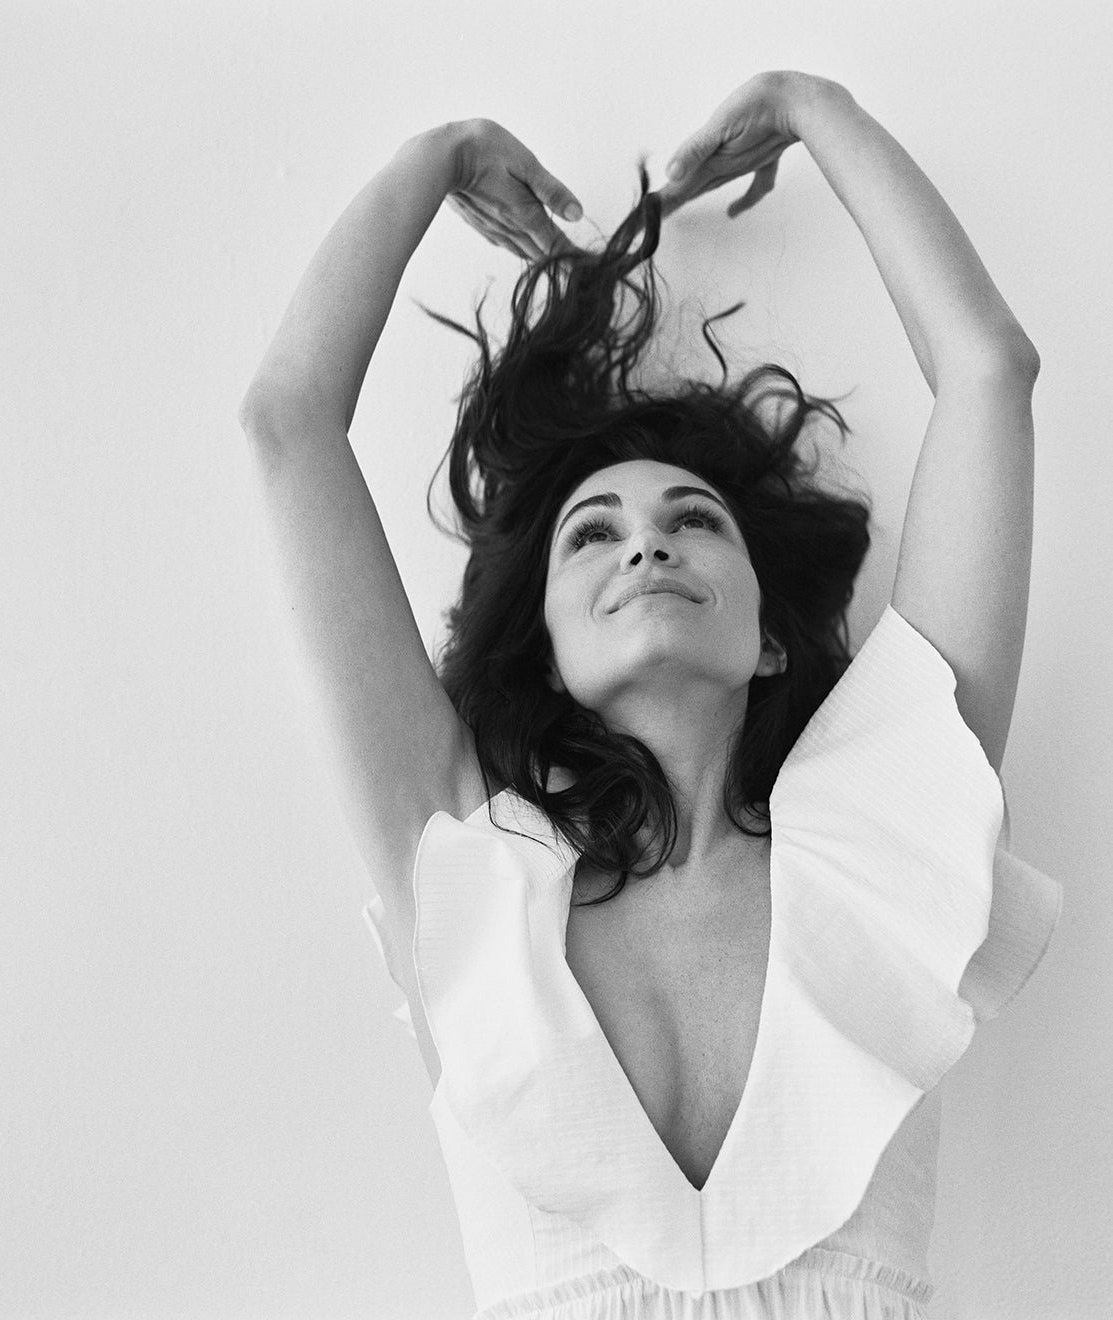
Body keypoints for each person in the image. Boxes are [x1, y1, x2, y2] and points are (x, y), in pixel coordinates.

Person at [239, 70, 1062, 1320]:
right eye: (594, 535)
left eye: (693, 520)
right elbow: (287, 422)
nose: (647, 544)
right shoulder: (468, 869)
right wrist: (436, 155)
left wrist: (816, 108)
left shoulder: (890, 841)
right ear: (547, 652)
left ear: (770, 640)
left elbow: (990, 370)